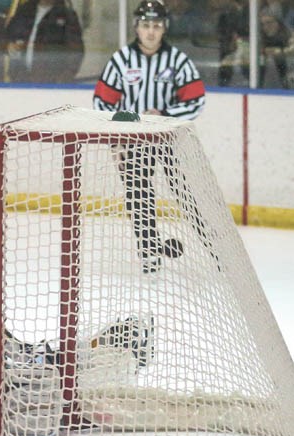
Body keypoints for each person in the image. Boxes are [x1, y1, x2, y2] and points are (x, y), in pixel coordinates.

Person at [93, 0, 206, 273]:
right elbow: (102, 103)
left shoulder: (178, 61)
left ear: (164, 27)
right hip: (134, 142)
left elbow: (196, 100)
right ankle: (149, 254)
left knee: (188, 196)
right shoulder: (121, 60)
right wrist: (117, 136)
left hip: (170, 142)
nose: (151, 32)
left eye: (156, 25)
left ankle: (213, 249)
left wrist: (164, 114)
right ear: (137, 27)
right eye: (146, 25)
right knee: (139, 197)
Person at [5, 0, 84, 83]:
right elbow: (7, 36)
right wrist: (10, 47)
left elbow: (76, 53)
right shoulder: (25, 10)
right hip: (20, 80)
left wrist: (62, 81)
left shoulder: (67, 15)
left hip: (50, 84)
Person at [216, 0, 249, 87]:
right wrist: (230, 41)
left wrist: (241, 38)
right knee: (225, 71)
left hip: (247, 49)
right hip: (229, 49)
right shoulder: (225, 14)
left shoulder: (252, 12)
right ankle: (224, 85)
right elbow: (220, 32)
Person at [258, 8, 293, 88]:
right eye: (263, 24)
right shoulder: (260, 38)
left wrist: (281, 52)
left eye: (269, 22)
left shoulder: (289, 35)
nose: (266, 27)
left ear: (278, 23)